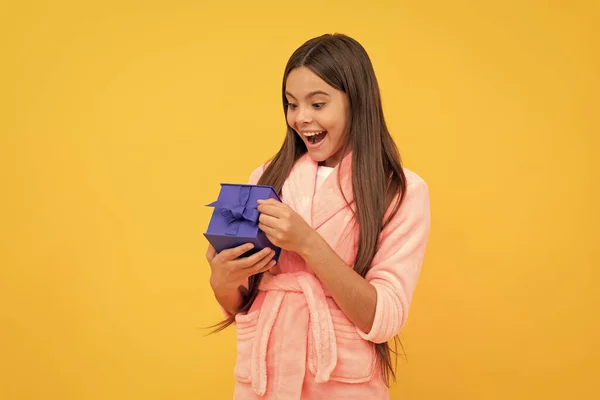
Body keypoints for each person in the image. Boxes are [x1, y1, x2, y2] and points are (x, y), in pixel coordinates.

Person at [206, 33, 431, 399]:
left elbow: (384, 318)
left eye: (318, 103)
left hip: (341, 385)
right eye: (292, 104)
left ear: (356, 102)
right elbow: (241, 302)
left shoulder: (399, 191)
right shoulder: (266, 178)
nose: (301, 118)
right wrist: (223, 280)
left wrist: (308, 243)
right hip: (263, 384)